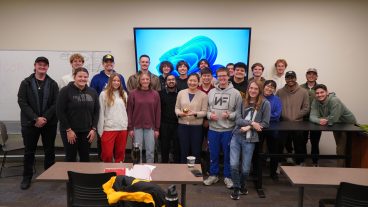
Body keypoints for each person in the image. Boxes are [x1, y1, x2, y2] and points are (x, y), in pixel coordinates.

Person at [17, 56, 59, 190]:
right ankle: (26, 177)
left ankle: (49, 174)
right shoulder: (26, 83)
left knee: (49, 150)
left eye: (45, 65)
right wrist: (36, 118)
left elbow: (55, 103)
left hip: (49, 123)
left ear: (48, 67)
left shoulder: (53, 83)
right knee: (29, 152)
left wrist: (44, 118)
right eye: (40, 65)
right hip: (30, 123)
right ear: (35, 66)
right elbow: (22, 101)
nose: (42, 67)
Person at [230, 80, 270, 200]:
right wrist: (252, 123)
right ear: (248, 89)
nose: (253, 91)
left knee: (246, 169)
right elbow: (237, 120)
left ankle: (242, 185)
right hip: (237, 136)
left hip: (250, 139)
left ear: (260, 90)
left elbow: (265, 123)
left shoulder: (265, 103)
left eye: (256, 89)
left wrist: (249, 126)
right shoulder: (242, 102)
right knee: (234, 165)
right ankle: (236, 188)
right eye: (251, 88)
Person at [204, 67, 242, 189]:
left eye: (224, 75)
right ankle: (213, 175)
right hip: (213, 129)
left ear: (228, 76)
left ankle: (228, 176)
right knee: (213, 154)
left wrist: (230, 115)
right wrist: (210, 115)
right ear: (217, 77)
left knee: (228, 155)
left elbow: (240, 112)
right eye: (219, 76)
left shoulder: (236, 93)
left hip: (228, 130)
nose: (222, 78)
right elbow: (206, 110)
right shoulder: (211, 92)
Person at [56, 67, 99, 162]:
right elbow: (60, 112)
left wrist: (93, 129)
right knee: (71, 158)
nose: (82, 79)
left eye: (85, 77)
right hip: (70, 132)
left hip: (87, 132)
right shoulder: (65, 91)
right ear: (74, 77)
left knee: (85, 158)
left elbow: (96, 111)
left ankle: (83, 177)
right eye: (80, 76)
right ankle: (71, 177)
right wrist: (68, 130)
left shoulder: (92, 92)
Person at [309, 84, 357, 167]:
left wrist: (325, 119)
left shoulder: (335, 100)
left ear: (327, 92)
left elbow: (333, 118)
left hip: (348, 125)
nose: (319, 95)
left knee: (344, 149)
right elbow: (312, 116)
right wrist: (319, 120)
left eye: (322, 92)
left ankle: (343, 170)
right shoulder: (315, 101)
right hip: (336, 125)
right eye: (317, 93)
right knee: (340, 147)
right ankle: (342, 168)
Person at [276, 71, 309, 165]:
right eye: (288, 78)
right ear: (285, 79)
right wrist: (284, 116)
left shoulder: (303, 91)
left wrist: (295, 116)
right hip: (283, 123)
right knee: (281, 144)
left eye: (292, 77)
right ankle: (278, 164)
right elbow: (277, 107)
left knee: (299, 145)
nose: (290, 80)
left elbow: (306, 108)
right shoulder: (280, 92)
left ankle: (299, 163)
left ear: (295, 78)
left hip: (298, 123)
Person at [127, 73, 161, 163]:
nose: (145, 81)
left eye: (147, 79)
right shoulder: (133, 93)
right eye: (143, 79)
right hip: (136, 126)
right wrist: (130, 128)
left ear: (150, 81)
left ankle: (149, 169)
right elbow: (129, 111)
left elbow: (158, 112)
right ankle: (138, 170)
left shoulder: (155, 94)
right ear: (139, 81)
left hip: (150, 127)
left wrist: (157, 129)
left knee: (150, 151)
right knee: (137, 151)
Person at [175, 74, 208, 164]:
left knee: (196, 151)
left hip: (196, 128)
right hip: (182, 126)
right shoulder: (181, 93)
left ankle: (195, 174)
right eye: (190, 80)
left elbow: (205, 111)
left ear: (198, 82)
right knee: (183, 150)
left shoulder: (203, 95)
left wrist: (195, 113)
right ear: (187, 81)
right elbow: (177, 108)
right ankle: (182, 173)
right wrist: (179, 113)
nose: (192, 83)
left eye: (195, 81)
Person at [97, 73, 128, 163]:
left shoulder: (124, 94)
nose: (116, 82)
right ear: (110, 81)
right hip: (108, 128)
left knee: (120, 154)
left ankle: (119, 174)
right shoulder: (104, 94)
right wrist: (100, 131)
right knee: (107, 155)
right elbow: (101, 112)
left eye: (118, 81)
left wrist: (125, 124)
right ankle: (107, 174)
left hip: (122, 128)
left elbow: (124, 111)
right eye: (114, 80)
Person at [300, 68, 322, 166]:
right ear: (306, 75)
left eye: (314, 74)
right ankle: (302, 160)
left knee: (315, 141)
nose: (311, 76)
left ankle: (315, 162)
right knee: (302, 141)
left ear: (316, 76)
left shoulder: (321, 88)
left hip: (316, 119)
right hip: (303, 119)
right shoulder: (300, 87)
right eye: (309, 74)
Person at [263, 80, 282, 180]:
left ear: (274, 89)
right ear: (264, 86)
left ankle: (273, 172)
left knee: (274, 151)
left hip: (273, 128)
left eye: (272, 87)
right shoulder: (259, 97)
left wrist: (263, 117)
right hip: (259, 128)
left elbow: (277, 115)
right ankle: (256, 171)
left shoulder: (277, 99)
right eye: (267, 86)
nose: (269, 88)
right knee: (257, 150)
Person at [159, 74, 180, 163]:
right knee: (164, 146)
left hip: (177, 124)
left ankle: (177, 167)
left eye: (173, 79)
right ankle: (164, 165)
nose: (171, 81)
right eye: (169, 80)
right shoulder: (160, 94)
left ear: (175, 81)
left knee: (177, 147)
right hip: (164, 124)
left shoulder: (180, 93)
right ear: (166, 82)